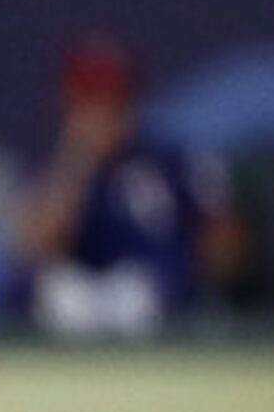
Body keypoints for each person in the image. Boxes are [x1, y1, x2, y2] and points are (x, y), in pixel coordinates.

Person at [16, 35, 241, 337]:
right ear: (68, 105)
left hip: (160, 304)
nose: (99, 115)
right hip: (83, 310)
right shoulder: (60, 171)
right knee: (42, 290)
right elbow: (32, 249)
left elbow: (227, 249)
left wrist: (207, 254)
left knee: (162, 283)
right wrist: (78, 159)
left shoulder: (173, 162)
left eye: (110, 102)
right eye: (87, 102)